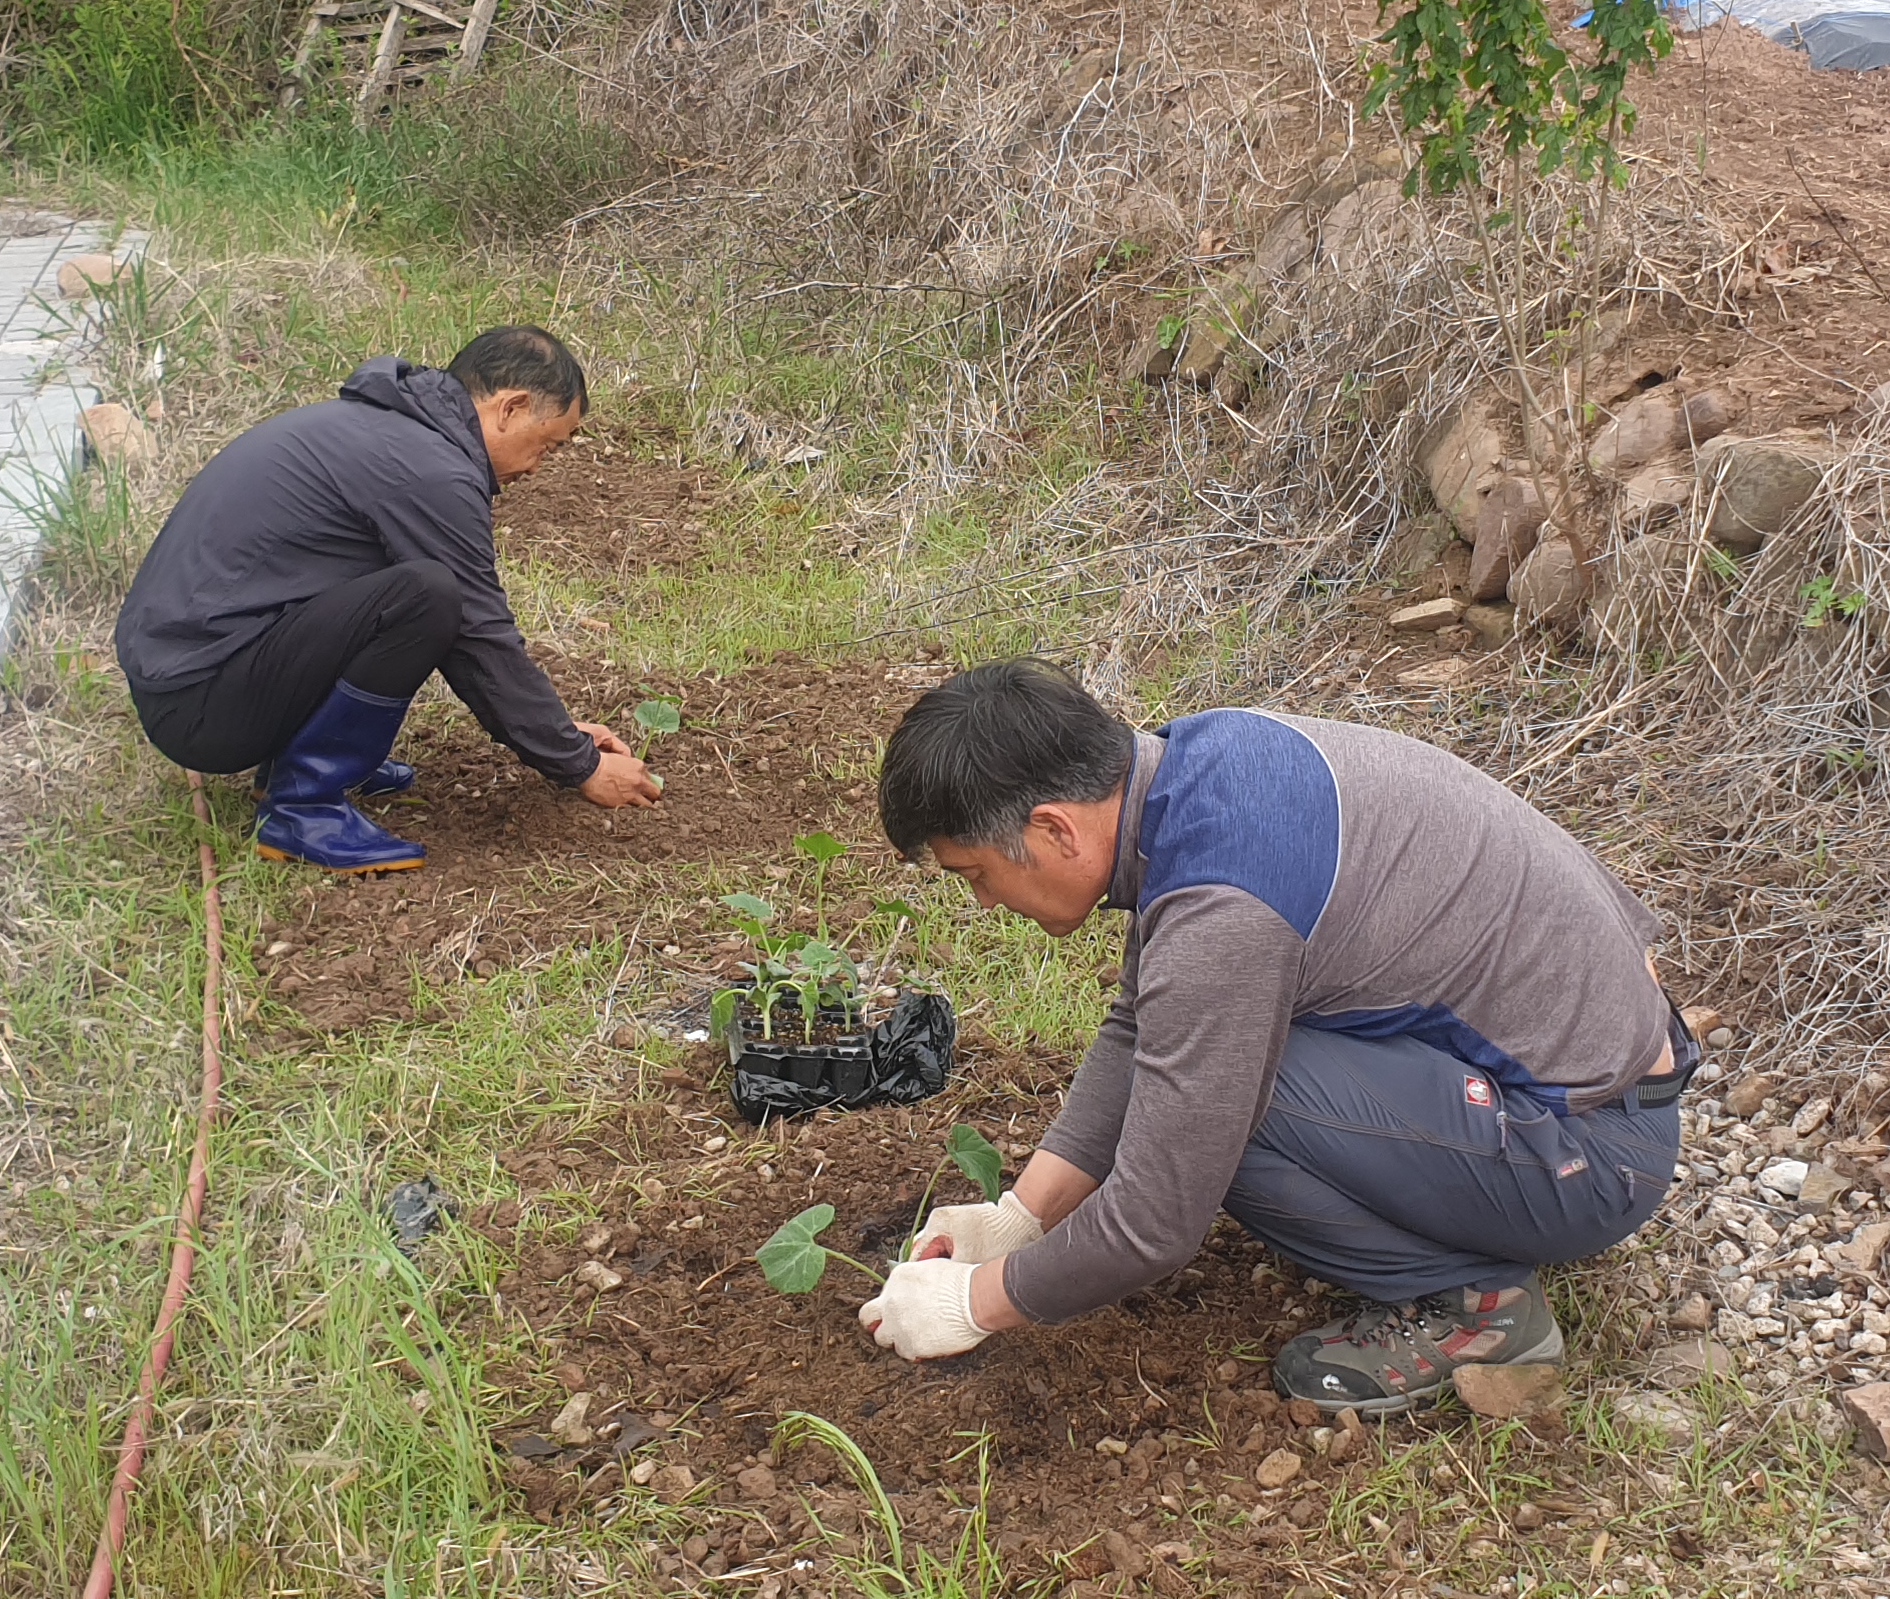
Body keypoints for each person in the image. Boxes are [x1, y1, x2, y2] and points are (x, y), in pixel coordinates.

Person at [853, 659, 1687, 1413]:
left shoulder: (1225, 907)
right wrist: (1021, 1216)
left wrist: (978, 1301)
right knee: (1203, 1061)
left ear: (1055, 829)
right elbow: (1144, 1020)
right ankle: (1458, 1205)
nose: (985, 905)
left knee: (1218, 1108)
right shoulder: (1202, 769)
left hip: (1594, 1152)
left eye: (977, 877)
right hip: (1594, 1079)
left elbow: (1156, 1218)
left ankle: (1478, 1310)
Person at [115, 324, 661, 872]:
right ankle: (304, 808)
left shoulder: (388, 433)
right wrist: (576, 762)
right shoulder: (430, 469)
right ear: (511, 407)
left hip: (189, 679)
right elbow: (479, 635)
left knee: (411, 587)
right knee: (428, 596)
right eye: (546, 444)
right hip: (203, 705)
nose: (536, 466)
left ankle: (302, 761)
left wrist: (557, 733)